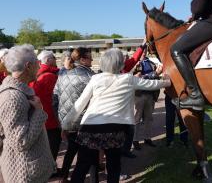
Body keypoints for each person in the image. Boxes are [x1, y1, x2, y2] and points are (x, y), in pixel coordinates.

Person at [62, 48, 171, 183]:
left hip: (90, 127)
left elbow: (79, 104)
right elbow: (153, 84)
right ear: (121, 63)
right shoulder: (128, 79)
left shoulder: (96, 78)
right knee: (114, 166)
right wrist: (167, 81)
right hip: (115, 128)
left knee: (82, 166)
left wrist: (66, 125)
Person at [0, 44, 54, 183]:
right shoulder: (12, 97)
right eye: (38, 62)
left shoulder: (21, 92)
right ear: (28, 66)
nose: (40, 66)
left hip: (31, 171)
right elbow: (20, 142)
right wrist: (39, 111)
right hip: (24, 175)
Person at [53, 47, 96, 182]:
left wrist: (61, 122)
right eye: (90, 57)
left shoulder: (62, 73)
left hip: (67, 121)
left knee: (71, 150)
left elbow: (55, 99)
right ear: (82, 59)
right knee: (90, 154)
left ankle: (64, 177)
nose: (92, 59)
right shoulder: (90, 77)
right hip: (85, 122)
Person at [29, 50, 61, 172]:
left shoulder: (35, 73)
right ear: (48, 60)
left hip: (39, 115)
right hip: (50, 117)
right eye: (53, 57)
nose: (55, 59)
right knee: (53, 145)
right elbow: (56, 98)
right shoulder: (50, 76)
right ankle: (50, 170)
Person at [132, 50, 162, 150]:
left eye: (145, 51)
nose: (144, 53)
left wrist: (154, 75)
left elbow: (156, 77)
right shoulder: (134, 64)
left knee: (148, 119)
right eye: (142, 51)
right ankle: (135, 140)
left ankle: (147, 138)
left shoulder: (152, 64)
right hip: (138, 95)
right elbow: (135, 79)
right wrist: (153, 75)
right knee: (136, 119)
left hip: (150, 95)